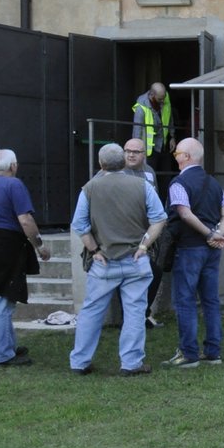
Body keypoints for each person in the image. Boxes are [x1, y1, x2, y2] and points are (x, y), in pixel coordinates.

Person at [68, 142, 167, 376]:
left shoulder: (89, 188)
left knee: (91, 311)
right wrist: (145, 245)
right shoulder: (142, 185)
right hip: (136, 258)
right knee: (134, 311)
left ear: (101, 164)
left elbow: (79, 225)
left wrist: (94, 251)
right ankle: (131, 363)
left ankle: (80, 362)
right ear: (123, 161)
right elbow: (159, 219)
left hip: (104, 261)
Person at [0, 148, 51, 367]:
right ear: (13, 166)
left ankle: (8, 346)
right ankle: (2, 354)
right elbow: (25, 220)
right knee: (3, 301)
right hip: (5, 245)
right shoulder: (14, 185)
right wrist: (40, 246)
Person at [163, 138, 224, 368]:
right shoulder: (214, 183)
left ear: (187, 157)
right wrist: (217, 234)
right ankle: (214, 352)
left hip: (189, 248)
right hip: (211, 251)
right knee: (210, 300)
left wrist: (209, 235)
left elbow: (184, 213)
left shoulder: (178, 183)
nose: (175, 157)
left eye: (177, 153)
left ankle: (189, 353)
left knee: (185, 300)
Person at [121, 138, 166, 328]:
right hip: (123, 233)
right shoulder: (116, 171)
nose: (131, 154)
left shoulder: (149, 172)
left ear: (144, 154)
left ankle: (142, 314)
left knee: (153, 272)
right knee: (125, 276)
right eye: (127, 150)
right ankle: (130, 318)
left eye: (136, 151)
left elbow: (154, 200)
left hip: (147, 232)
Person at [129, 82, 175, 189]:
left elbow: (170, 119)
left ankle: (165, 203)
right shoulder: (141, 107)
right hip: (149, 150)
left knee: (166, 178)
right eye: (160, 99)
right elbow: (137, 131)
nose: (163, 101)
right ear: (152, 95)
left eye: (164, 98)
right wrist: (136, 151)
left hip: (163, 146)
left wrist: (172, 137)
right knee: (150, 178)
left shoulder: (165, 99)